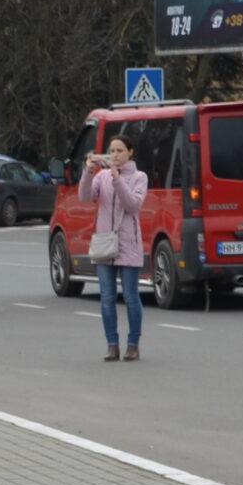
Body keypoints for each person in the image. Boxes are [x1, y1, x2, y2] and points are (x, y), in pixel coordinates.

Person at [89, 132, 147, 363]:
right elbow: (85, 196)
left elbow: (132, 205)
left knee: (131, 297)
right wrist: (87, 171)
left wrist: (117, 178)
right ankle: (112, 345)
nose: (115, 155)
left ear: (130, 152)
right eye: (111, 151)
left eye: (120, 150)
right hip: (105, 244)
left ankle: (133, 345)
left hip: (128, 244)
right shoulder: (101, 176)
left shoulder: (139, 177)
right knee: (106, 298)